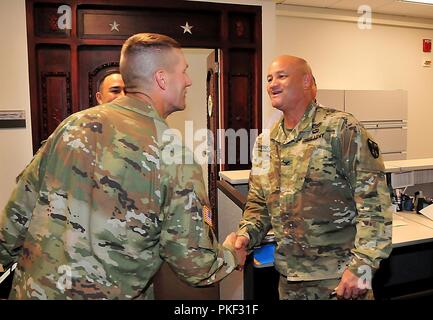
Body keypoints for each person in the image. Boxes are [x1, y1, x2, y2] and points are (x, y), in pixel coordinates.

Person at [0, 33, 246, 300]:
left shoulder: (72, 126)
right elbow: (194, 265)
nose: (188, 80)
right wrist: (232, 255)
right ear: (162, 79)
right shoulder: (172, 153)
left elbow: (16, 215)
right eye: (184, 71)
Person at [234, 55, 392, 300]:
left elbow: (374, 203)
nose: (272, 84)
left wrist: (363, 266)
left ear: (306, 80)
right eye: (269, 78)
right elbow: (258, 206)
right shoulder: (265, 143)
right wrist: (245, 235)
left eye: (281, 76)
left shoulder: (341, 128)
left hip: (340, 278)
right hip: (289, 279)